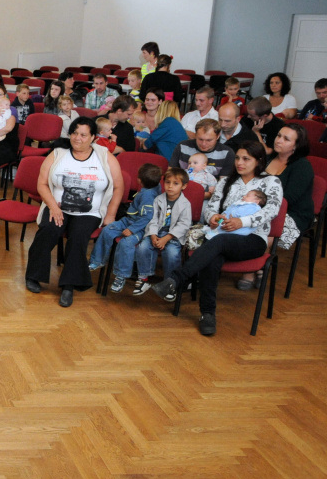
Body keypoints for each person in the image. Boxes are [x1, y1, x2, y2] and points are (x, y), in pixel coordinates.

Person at [151, 141, 283, 335]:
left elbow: (271, 210)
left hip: (253, 239)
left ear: (259, 160)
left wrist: (241, 222)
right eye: (237, 158)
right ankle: (207, 314)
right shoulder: (225, 181)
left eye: (246, 159)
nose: (239, 163)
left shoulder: (271, 182)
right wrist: (213, 217)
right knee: (212, 258)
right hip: (221, 234)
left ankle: (176, 279)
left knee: (216, 243)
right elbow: (211, 207)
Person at [24, 117, 124, 307]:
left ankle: (68, 286)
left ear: (93, 137)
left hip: (90, 212)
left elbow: (119, 187)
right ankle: (33, 276)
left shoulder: (105, 157)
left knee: (78, 237)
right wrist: (53, 207)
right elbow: (42, 184)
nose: (78, 138)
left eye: (83, 135)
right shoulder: (58, 154)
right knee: (48, 230)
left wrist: (110, 215)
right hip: (57, 207)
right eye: (75, 133)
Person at [237, 123, 314, 288]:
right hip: (260, 205)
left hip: (292, 213)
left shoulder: (302, 166)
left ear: (296, 145)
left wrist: (261, 209)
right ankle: (255, 266)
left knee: (262, 229)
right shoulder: (268, 158)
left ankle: (250, 271)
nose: (279, 140)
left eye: (286, 139)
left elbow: (289, 198)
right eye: (279, 136)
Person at [88, 163, 162, 293]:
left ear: (139, 180)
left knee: (126, 243)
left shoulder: (148, 196)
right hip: (129, 220)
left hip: (140, 228)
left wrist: (132, 229)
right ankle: (97, 260)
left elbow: (147, 218)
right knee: (107, 230)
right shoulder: (152, 187)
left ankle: (121, 276)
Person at [133, 167, 192, 297]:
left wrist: (167, 238)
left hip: (173, 236)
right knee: (143, 247)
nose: (170, 186)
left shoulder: (185, 204)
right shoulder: (158, 199)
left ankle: (169, 284)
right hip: (156, 232)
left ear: (184, 186)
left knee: (172, 253)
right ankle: (143, 278)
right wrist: (153, 235)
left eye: (175, 183)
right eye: (167, 182)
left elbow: (184, 224)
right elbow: (152, 219)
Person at [170, 118, 234, 183]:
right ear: (195, 135)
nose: (204, 144)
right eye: (200, 139)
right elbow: (171, 174)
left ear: (218, 136)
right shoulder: (182, 147)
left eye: (209, 140)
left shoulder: (227, 153)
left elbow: (223, 183)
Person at [141, 94, 186, 160]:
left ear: (161, 111)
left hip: (167, 162)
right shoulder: (177, 124)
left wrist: (142, 141)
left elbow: (146, 145)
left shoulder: (167, 122)